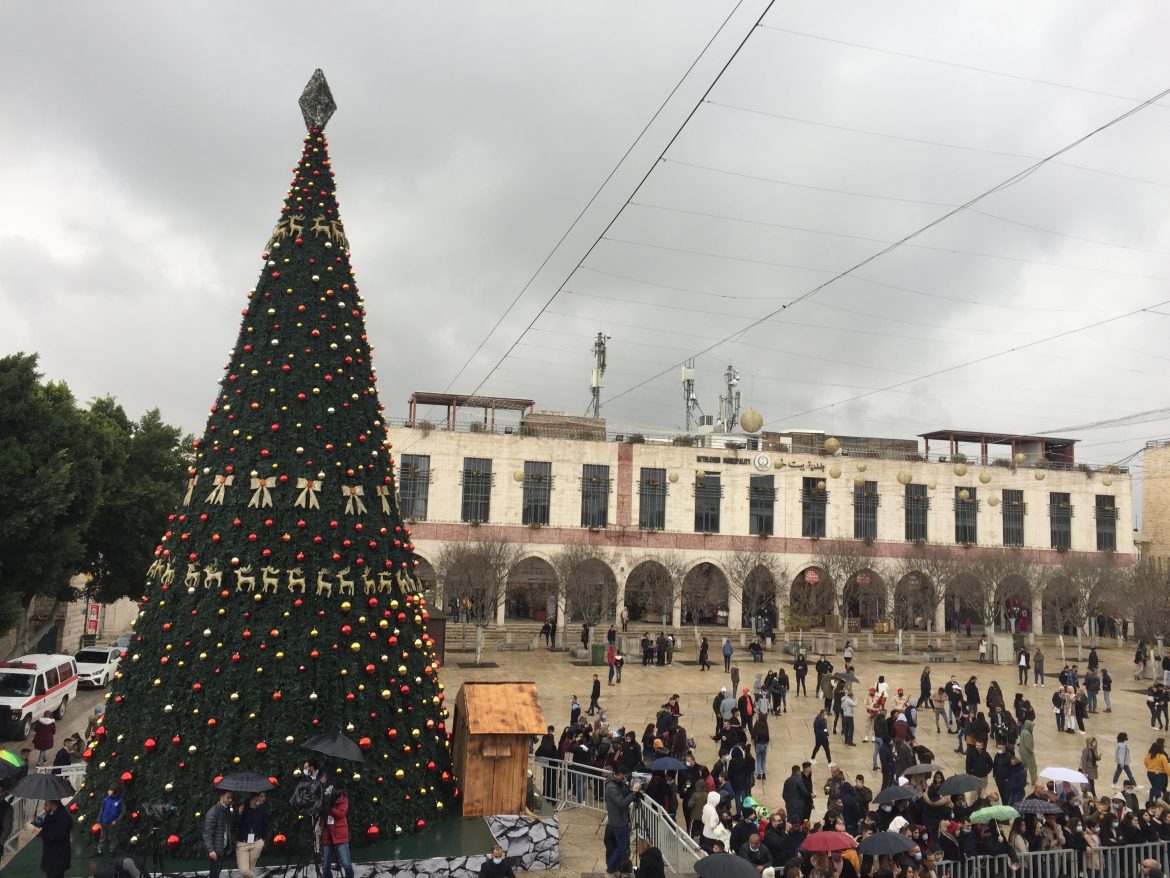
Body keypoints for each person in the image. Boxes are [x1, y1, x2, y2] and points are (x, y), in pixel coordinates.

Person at [604, 765, 642, 875]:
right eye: (623, 776)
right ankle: (611, 869)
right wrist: (633, 793)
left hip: (623, 819)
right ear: (618, 774)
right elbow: (622, 803)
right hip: (618, 821)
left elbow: (625, 794)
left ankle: (614, 867)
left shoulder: (618, 783)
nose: (624, 778)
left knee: (624, 846)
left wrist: (631, 789)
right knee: (621, 848)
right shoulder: (611, 787)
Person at [322, 782, 354, 878]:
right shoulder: (325, 799)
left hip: (341, 836)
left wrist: (330, 807)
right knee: (326, 867)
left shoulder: (343, 800)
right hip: (328, 835)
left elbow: (340, 814)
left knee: (346, 864)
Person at [235, 791, 268, 878]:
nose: (264, 798)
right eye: (262, 796)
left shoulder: (262, 809)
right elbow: (234, 824)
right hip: (243, 844)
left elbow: (265, 825)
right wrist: (239, 814)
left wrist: (262, 841)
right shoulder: (243, 807)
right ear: (255, 797)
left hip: (257, 843)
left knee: (251, 870)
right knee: (245, 871)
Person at [202, 789, 234, 878]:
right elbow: (207, 833)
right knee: (214, 874)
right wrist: (211, 850)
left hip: (222, 848)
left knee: (217, 872)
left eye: (231, 798)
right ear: (222, 797)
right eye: (228, 798)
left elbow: (229, 827)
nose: (231, 800)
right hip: (216, 850)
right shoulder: (213, 812)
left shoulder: (226, 811)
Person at [38, 798, 72, 878]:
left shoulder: (63, 818)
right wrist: (36, 824)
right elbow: (48, 828)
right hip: (51, 857)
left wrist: (41, 832)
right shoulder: (52, 815)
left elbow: (55, 836)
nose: (44, 807)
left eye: (46, 805)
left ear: (52, 805)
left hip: (58, 859)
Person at [97, 782, 125, 854]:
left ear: (115, 792)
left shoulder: (120, 801)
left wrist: (117, 820)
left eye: (110, 790)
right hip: (104, 822)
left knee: (112, 837)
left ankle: (112, 850)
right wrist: (99, 820)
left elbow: (123, 812)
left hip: (113, 824)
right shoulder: (106, 800)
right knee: (102, 836)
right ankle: (100, 850)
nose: (108, 791)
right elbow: (102, 810)